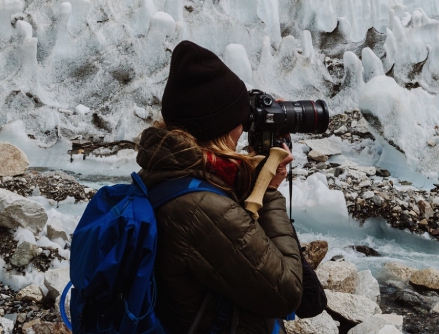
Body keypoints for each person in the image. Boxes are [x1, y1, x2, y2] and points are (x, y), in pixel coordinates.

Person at [136, 40, 327, 334]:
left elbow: (310, 298)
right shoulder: (201, 208)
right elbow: (290, 293)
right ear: (218, 126)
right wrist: (269, 190)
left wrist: (248, 182)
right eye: (239, 118)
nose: (244, 126)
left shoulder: (169, 173)